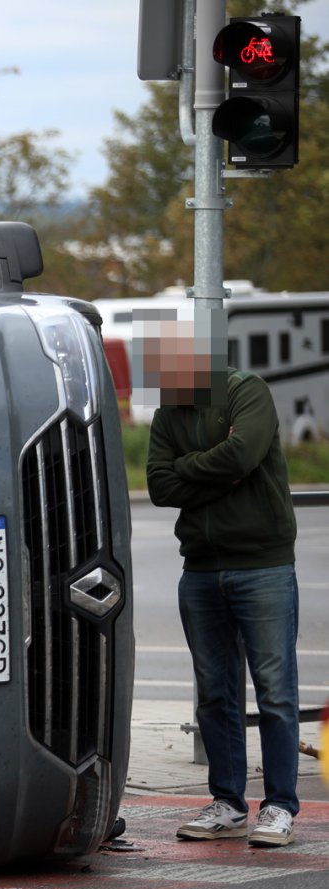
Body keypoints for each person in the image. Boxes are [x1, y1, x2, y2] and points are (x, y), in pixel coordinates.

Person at [143, 312, 299, 847]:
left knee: (275, 692)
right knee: (214, 693)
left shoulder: (245, 390)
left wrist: (193, 468)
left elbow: (245, 452)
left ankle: (279, 806)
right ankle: (228, 803)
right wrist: (220, 471)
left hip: (263, 564)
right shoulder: (168, 413)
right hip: (201, 569)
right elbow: (159, 486)